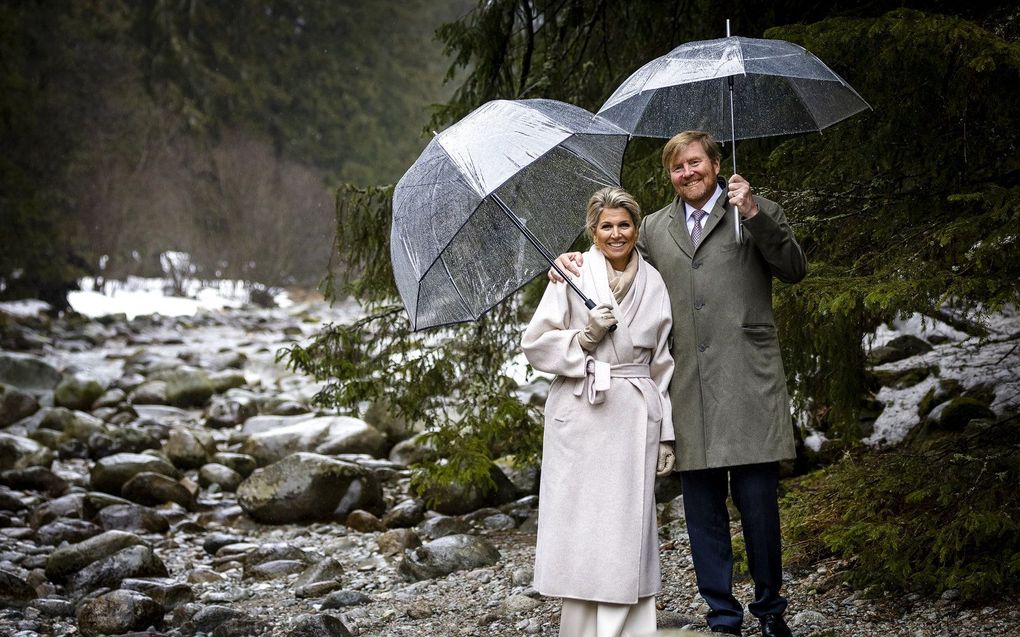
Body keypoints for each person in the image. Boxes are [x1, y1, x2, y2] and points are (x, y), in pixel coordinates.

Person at [551, 131, 806, 637]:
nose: (687, 173)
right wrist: (570, 264)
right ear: (669, 175)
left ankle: (771, 611)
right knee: (702, 511)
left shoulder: (754, 210)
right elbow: (614, 259)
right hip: (683, 384)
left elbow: (794, 267)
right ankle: (723, 617)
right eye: (677, 167)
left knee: (758, 507)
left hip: (746, 380)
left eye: (695, 163)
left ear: (715, 163)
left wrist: (755, 214)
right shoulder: (654, 228)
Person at [523, 186, 677, 637]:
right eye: (606, 226)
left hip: (632, 412)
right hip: (581, 411)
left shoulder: (655, 281)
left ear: (636, 227)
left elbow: (662, 364)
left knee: (628, 527)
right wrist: (584, 339)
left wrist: (666, 432)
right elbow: (535, 346)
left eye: (624, 225)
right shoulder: (569, 275)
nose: (615, 234)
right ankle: (580, 630)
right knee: (582, 526)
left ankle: (627, 630)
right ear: (593, 230)